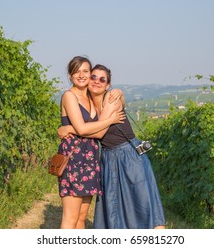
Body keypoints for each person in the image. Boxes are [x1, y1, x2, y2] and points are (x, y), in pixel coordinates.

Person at [58, 64, 166, 229]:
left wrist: (70, 129)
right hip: (108, 158)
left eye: (103, 79)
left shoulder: (110, 99)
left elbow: (99, 132)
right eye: (93, 77)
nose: (97, 81)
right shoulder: (87, 101)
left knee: (142, 203)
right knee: (116, 208)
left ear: (108, 85)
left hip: (128, 156)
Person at [57, 56, 125, 229]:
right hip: (73, 157)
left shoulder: (90, 96)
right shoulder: (69, 96)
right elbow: (81, 129)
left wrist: (120, 93)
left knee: (81, 217)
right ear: (70, 75)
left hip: (90, 157)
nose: (81, 75)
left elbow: (98, 130)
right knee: (71, 218)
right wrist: (110, 120)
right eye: (76, 71)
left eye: (85, 71)